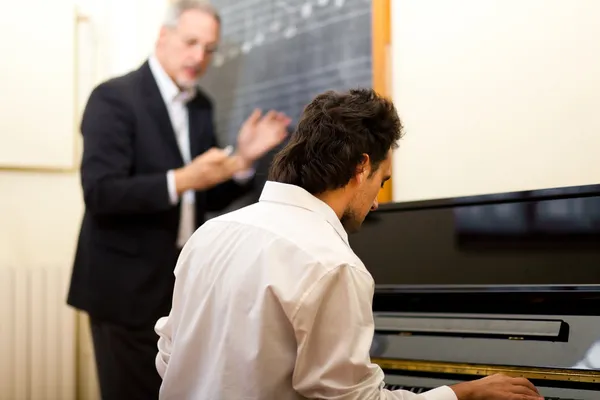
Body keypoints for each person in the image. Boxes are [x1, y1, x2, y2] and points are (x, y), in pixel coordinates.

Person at [154, 88, 543, 400]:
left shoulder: (211, 234)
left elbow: (169, 354)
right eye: (381, 181)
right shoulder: (332, 263)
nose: (376, 201)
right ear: (360, 167)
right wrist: (462, 394)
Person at [66, 0, 291, 398]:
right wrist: (185, 178)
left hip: (179, 284)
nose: (198, 57)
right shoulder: (113, 97)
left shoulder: (201, 105)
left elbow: (201, 196)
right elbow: (101, 192)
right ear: (163, 36)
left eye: (209, 49)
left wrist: (242, 161)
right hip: (123, 288)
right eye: (191, 42)